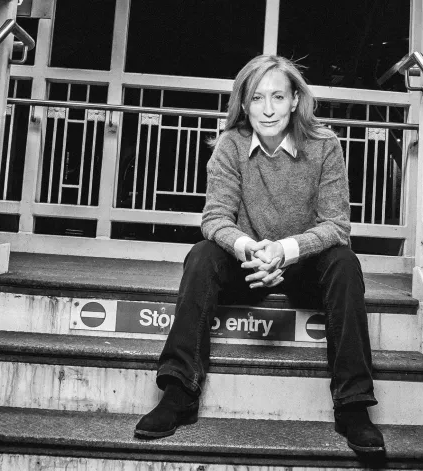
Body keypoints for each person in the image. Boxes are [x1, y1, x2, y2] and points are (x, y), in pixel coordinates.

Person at [134, 55, 384, 453]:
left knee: (344, 262)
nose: (268, 109)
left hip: (301, 266)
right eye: (257, 98)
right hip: (247, 266)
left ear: (295, 100)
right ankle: (178, 392)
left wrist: (284, 251)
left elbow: (336, 225)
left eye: (278, 97)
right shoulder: (231, 145)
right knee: (202, 255)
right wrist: (249, 249)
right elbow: (215, 218)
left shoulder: (325, 146)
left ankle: (353, 405)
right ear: (244, 104)